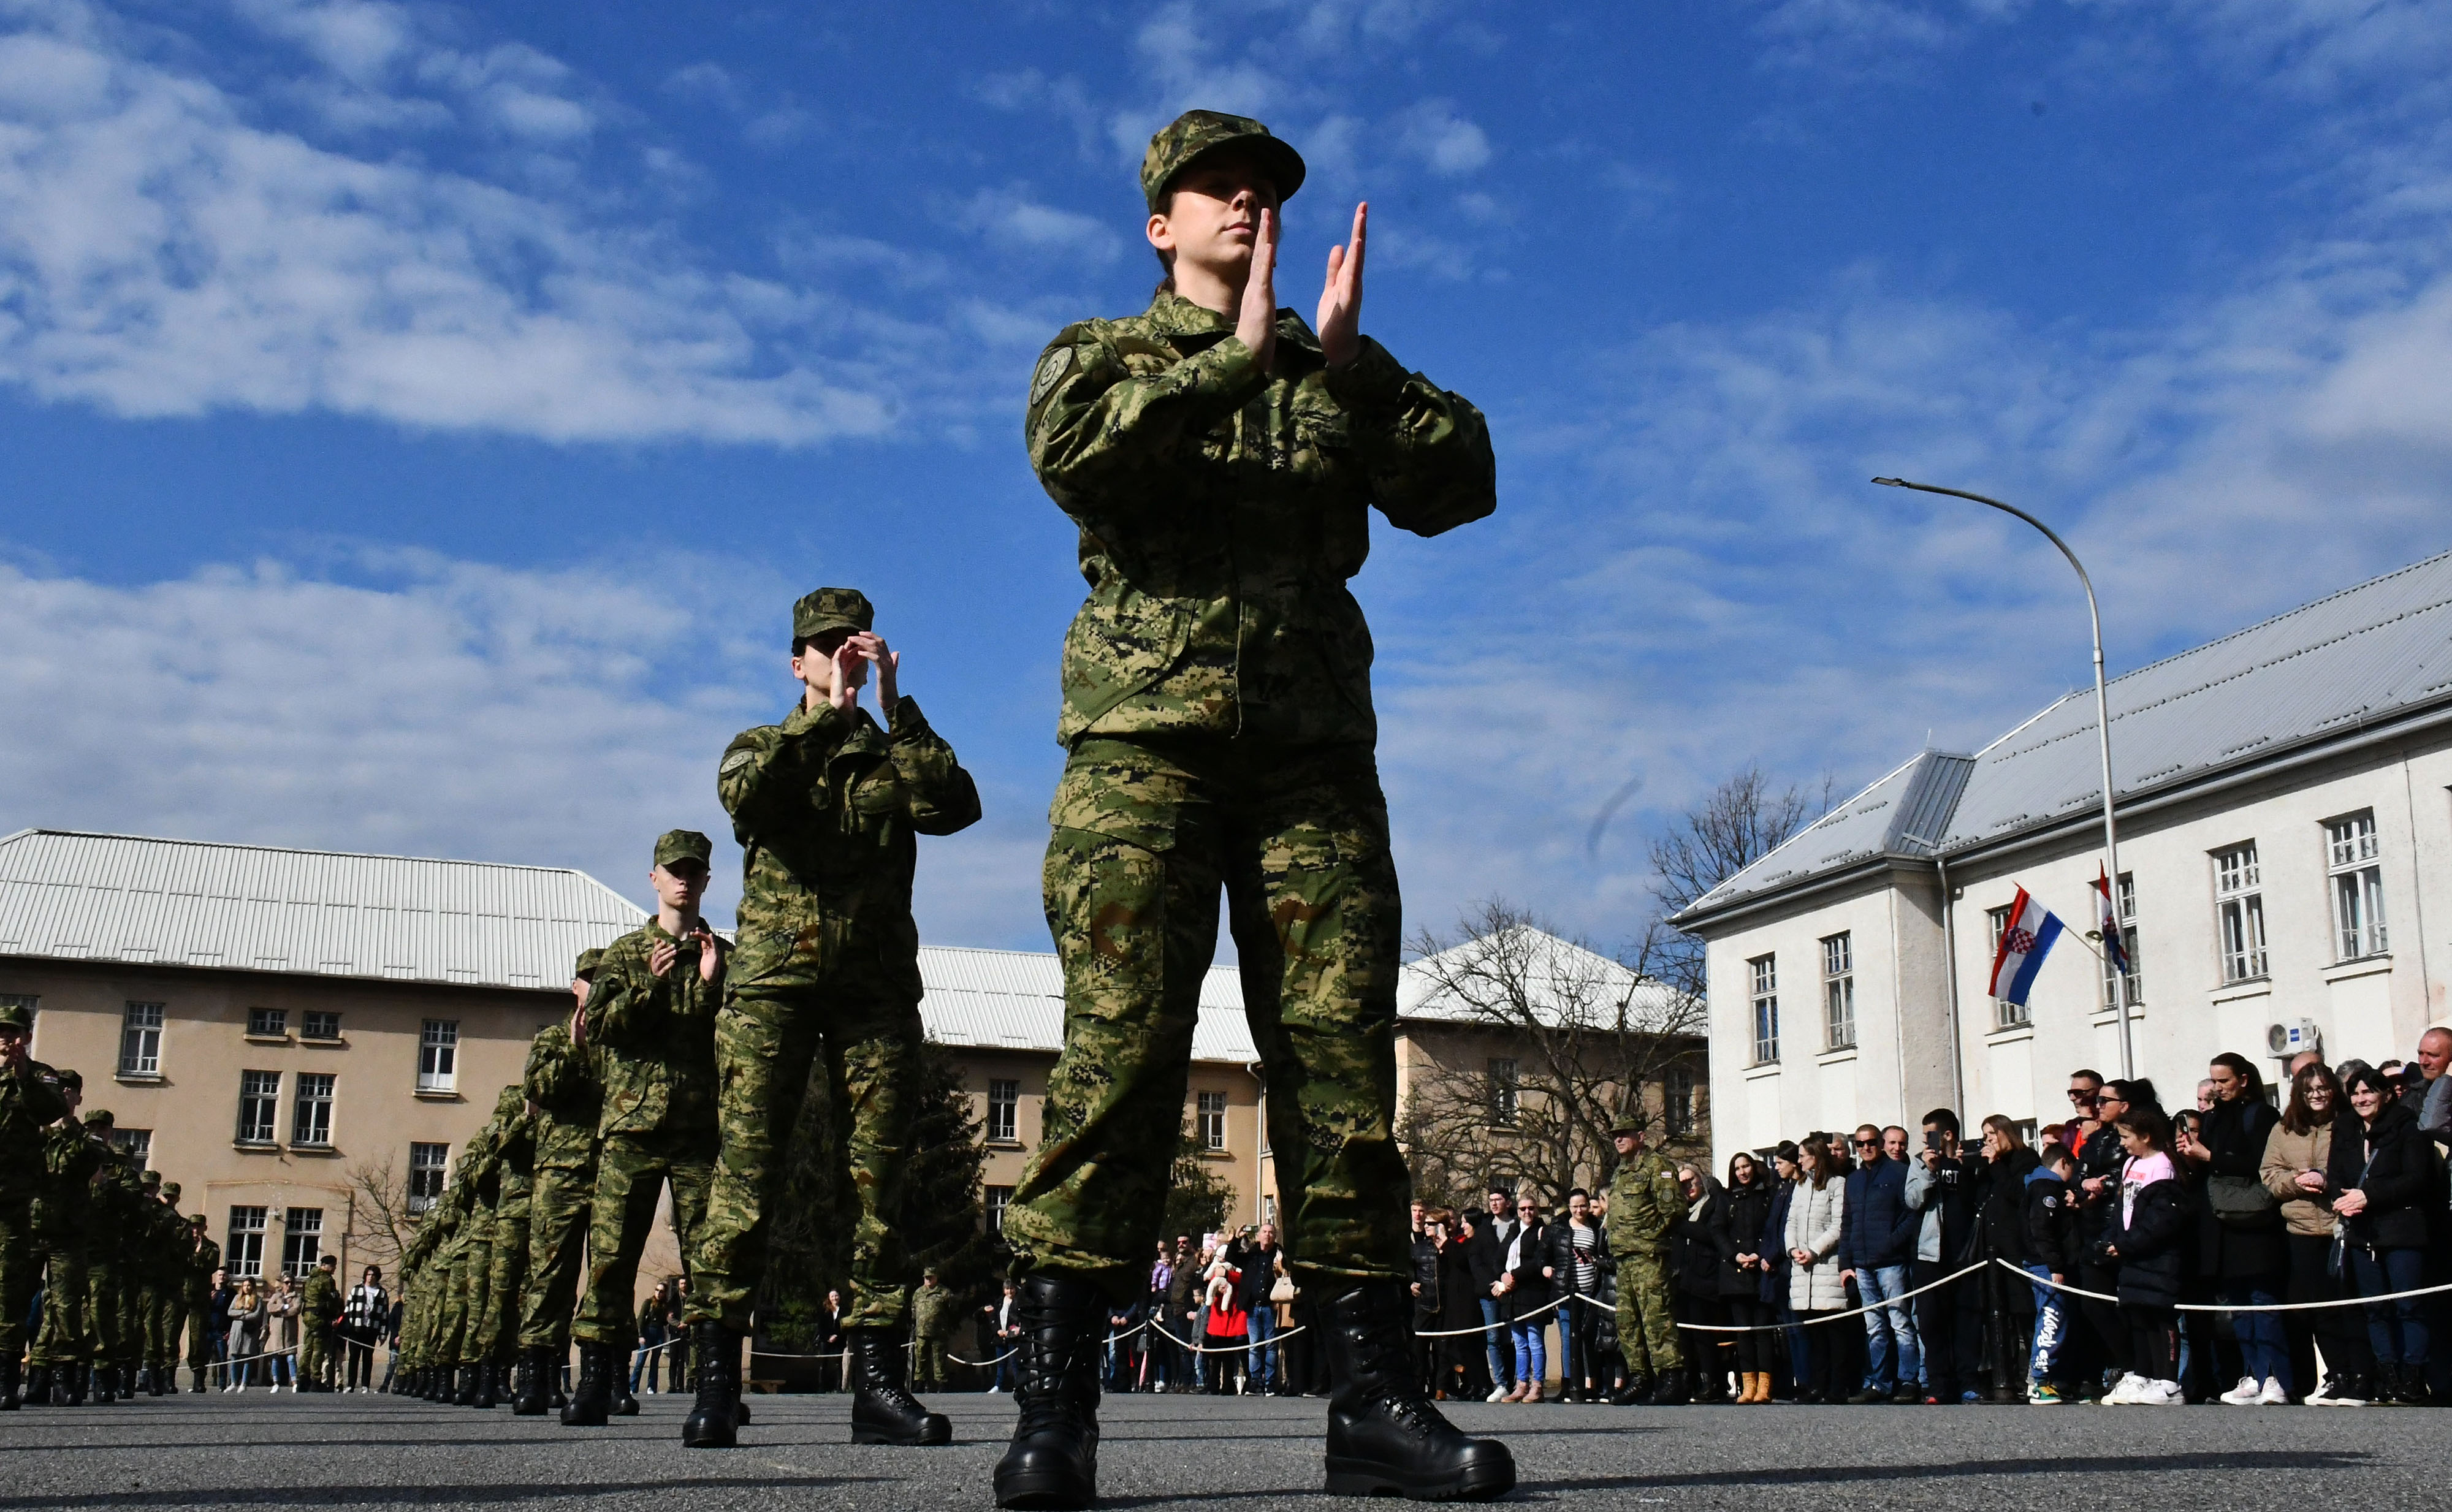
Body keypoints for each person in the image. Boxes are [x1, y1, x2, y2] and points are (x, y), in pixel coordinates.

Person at [999, 107, 1507, 1507]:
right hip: (1140, 753)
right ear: (1158, 221)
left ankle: (1373, 1404)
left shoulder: (1324, 370)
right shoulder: (1101, 355)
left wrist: (1346, 371)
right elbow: (1076, 461)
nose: (1243, 204)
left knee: (1341, 1076)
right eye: (1213, 187)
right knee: (1120, 1060)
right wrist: (1227, 366)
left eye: (1263, 189)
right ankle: (1056, 1413)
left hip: (1308, 759)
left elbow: (1460, 482)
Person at [685, 589, 979, 1453]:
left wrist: (897, 707)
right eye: (821, 646)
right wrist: (825, 720)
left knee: (879, 1178)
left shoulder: (895, 754)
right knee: (744, 1175)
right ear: (796, 661)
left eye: (852, 644)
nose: (837, 657)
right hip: (774, 985)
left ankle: (879, 1384)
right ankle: (713, 1379)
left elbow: (954, 805)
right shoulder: (761, 745)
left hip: (873, 988)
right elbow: (750, 802)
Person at [565, 831, 726, 1429]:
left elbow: (737, 1041)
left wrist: (711, 988)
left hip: (697, 1133)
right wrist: (648, 987)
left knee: (711, 1257)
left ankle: (715, 1389)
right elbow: (600, 1027)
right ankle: (596, 1381)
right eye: (673, 870)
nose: (684, 880)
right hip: (631, 1128)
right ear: (654, 878)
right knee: (609, 1256)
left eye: (694, 871)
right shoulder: (627, 951)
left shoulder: (720, 954)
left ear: (707, 881)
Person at [514, 950, 603, 1416]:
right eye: (589, 979)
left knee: (609, 1275)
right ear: (575, 986)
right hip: (560, 1174)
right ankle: (537, 1374)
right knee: (550, 1277)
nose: (595, 986)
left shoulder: (622, 1039)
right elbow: (541, 1091)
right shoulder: (552, 1039)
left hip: (610, 1169)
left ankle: (599, 1376)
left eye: (603, 978)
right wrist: (576, 1049)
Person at [2261, 1062, 2369, 1405]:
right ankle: (2336, 1374)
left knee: (2350, 1306)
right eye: (2309, 1090)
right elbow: (2270, 1173)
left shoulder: (2349, 1123)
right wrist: (2294, 1183)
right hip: (2302, 1228)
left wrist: (2326, 1180)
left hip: (2343, 1227)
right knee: (2318, 1309)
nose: (2317, 1095)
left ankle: (2363, 1375)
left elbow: (2359, 1167)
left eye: (2323, 1088)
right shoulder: (2284, 1128)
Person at [2326, 1064, 2433, 1404]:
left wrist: (2370, 1196)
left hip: (2401, 1230)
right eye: (2355, 1093)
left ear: (2385, 1094)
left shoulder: (2406, 1127)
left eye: (2368, 1092)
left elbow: (2416, 1178)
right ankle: (2387, 1377)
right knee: (2374, 1309)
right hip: (2361, 1231)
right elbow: (2335, 1174)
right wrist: (2342, 1199)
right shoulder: (2345, 1128)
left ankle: (2412, 1378)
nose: (2361, 1099)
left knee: (2408, 1306)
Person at [2186, 1053, 2290, 1406]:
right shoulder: (2213, 1118)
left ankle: (2275, 1375)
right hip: (2223, 1220)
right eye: (2213, 1082)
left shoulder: (2261, 1115)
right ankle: (2253, 1373)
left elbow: (2259, 1163)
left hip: (2254, 1221)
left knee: (2263, 1299)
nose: (2217, 1089)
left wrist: (2210, 1157)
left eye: (2224, 1081)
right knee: (2239, 1303)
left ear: (2243, 1080)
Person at [0, 1000, 73, 1410]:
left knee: (9, 1292)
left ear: (27, 1036)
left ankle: (6, 1378)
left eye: (13, 1032)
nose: (5, 1039)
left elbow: (54, 1108)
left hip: (13, 1203)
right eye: (1, 1031)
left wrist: (22, 1072)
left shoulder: (41, 1075)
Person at [2096, 1105, 2185, 1405]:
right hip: (2131, 1251)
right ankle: (2144, 1374)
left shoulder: (2163, 1165)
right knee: (2138, 1314)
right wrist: (2113, 1239)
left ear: (2146, 1136)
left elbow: (2160, 1220)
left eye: (2127, 1137)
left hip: (2156, 1255)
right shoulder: (2130, 1163)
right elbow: (2123, 1207)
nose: (2122, 1143)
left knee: (2160, 1316)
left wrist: (2130, 1243)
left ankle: (2169, 1381)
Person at [1607, 1117, 1688, 1405]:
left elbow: (1675, 1209)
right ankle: (1640, 1377)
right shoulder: (1620, 1172)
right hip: (1625, 1257)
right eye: (1615, 1136)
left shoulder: (1657, 1166)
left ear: (1640, 1136)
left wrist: (1651, 1235)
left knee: (1657, 1318)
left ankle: (1671, 1378)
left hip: (1649, 1256)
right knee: (1627, 1322)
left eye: (1624, 1135)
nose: (1618, 1140)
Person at [1835, 1123, 1918, 1404]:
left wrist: (1891, 1243)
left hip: (1891, 1262)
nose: (1866, 1148)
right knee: (1875, 1328)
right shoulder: (1854, 1180)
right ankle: (1880, 1383)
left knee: (1901, 1323)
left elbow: (1912, 1216)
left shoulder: (1899, 1173)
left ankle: (1909, 1381)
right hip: (1862, 1265)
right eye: (1860, 1144)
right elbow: (1847, 1223)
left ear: (1880, 1143)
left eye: (1871, 1142)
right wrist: (1845, 1262)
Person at [1782, 1134, 1848, 1404]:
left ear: (1815, 1156)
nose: (1798, 1161)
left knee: (1833, 1334)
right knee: (1813, 1335)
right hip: (1803, 1271)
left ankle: (1837, 1386)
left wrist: (1815, 1250)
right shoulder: (1801, 1187)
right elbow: (1791, 1222)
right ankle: (1816, 1385)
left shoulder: (1837, 1184)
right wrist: (1793, 1249)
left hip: (1826, 1268)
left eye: (1802, 1155)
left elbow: (1838, 1225)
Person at [2020, 1142, 2080, 1404]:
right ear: (2064, 1163)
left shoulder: (2038, 1186)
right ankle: (2039, 1380)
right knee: (2052, 1319)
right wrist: (2055, 1266)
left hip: (2043, 1263)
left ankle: (2050, 1379)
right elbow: (2042, 1230)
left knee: (2056, 1318)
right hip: (2046, 1266)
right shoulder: (2047, 1189)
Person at [1720, 1153, 1777, 1404]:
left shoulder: (1767, 1195)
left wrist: (1760, 1253)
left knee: (1763, 1331)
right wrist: (1735, 1256)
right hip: (1736, 1272)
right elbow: (1718, 1230)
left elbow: (1773, 1228)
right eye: (1738, 1168)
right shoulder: (1726, 1198)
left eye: (1746, 1167)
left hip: (1761, 1270)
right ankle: (1748, 1385)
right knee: (1743, 1332)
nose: (1743, 1172)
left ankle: (1764, 1387)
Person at [1670, 1165, 1729, 1402]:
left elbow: (1709, 1235)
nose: (1688, 1186)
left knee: (1704, 1335)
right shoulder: (1682, 1211)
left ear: (1700, 1180)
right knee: (1683, 1336)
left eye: (1691, 1180)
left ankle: (1712, 1382)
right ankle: (1689, 1381)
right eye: (1682, 1183)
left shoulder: (1714, 1204)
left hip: (1706, 1278)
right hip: (1682, 1280)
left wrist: (1678, 1224)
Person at [1550, 1188, 1607, 1402]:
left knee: (1589, 1338)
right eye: (1575, 1206)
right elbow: (1543, 1256)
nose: (1579, 1210)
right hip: (1566, 1291)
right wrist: (1546, 1268)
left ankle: (1590, 1384)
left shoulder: (1596, 1227)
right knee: (1568, 1338)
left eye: (1583, 1205)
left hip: (1591, 1291)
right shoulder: (1559, 1228)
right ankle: (1568, 1384)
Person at [1501, 1191, 1553, 1404]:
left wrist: (1514, 1275)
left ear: (1537, 1209)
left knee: (1535, 1341)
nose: (1527, 1212)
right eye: (1523, 1209)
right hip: (1513, 1295)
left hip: (1533, 1293)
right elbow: (1500, 1256)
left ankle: (1537, 1385)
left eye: (1531, 1208)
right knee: (1520, 1343)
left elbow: (1539, 1261)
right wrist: (1504, 1276)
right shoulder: (1514, 1230)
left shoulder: (1543, 1231)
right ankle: (1521, 1384)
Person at [1238, 1221, 1283, 1396]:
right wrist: (1236, 1239)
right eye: (1264, 1232)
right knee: (1254, 1346)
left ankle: (1270, 1383)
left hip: (1270, 1306)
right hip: (1253, 1307)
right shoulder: (1252, 1254)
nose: (1267, 1235)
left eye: (1271, 1232)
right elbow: (1232, 1257)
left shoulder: (1279, 1254)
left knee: (1271, 1346)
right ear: (1259, 1235)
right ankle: (1255, 1382)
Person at [299, 1253, 343, 1392]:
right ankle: (316, 1380)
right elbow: (332, 1300)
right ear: (327, 1266)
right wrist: (335, 1312)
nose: (334, 1269)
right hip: (321, 1316)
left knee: (307, 1348)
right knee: (318, 1349)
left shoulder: (310, 1279)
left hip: (308, 1315)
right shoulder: (326, 1280)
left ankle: (302, 1379)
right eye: (333, 1266)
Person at [343, 1266, 387, 1394]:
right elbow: (348, 1309)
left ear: (377, 1277)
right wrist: (346, 1326)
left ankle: (365, 1385)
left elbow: (385, 1314)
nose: (370, 1277)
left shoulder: (382, 1292)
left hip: (372, 1329)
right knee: (354, 1357)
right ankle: (351, 1384)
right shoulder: (357, 1290)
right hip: (356, 1328)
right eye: (368, 1275)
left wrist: (383, 1333)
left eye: (373, 1275)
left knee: (368, 1358)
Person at [912, 1269, 957, 1394]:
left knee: (940, 1359)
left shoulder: (944, 1293)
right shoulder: (919, 1293)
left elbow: (953, 1310)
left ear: (936, 1277)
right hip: (921, 1332)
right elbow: (914, 1310)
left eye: (931, 1277)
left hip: (939, 1332)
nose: (928, 1280)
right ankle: (919, 1382)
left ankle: (942, 1383)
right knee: (920, 1359)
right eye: (926, 1278)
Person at [226, 1277, 266, 1391]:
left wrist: (241, 1317)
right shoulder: (237, 1298)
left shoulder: (258, 1300)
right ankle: (233, 1382)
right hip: (237, 1330)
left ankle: (244, 1383)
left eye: (249, 1285)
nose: (246, 1288)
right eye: (244, 1286)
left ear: (252, 1287)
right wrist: (244, 1312)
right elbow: (230, 1312)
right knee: (234, 1355)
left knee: (247, 1356)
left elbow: (256, 1315)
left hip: (250, 1331)